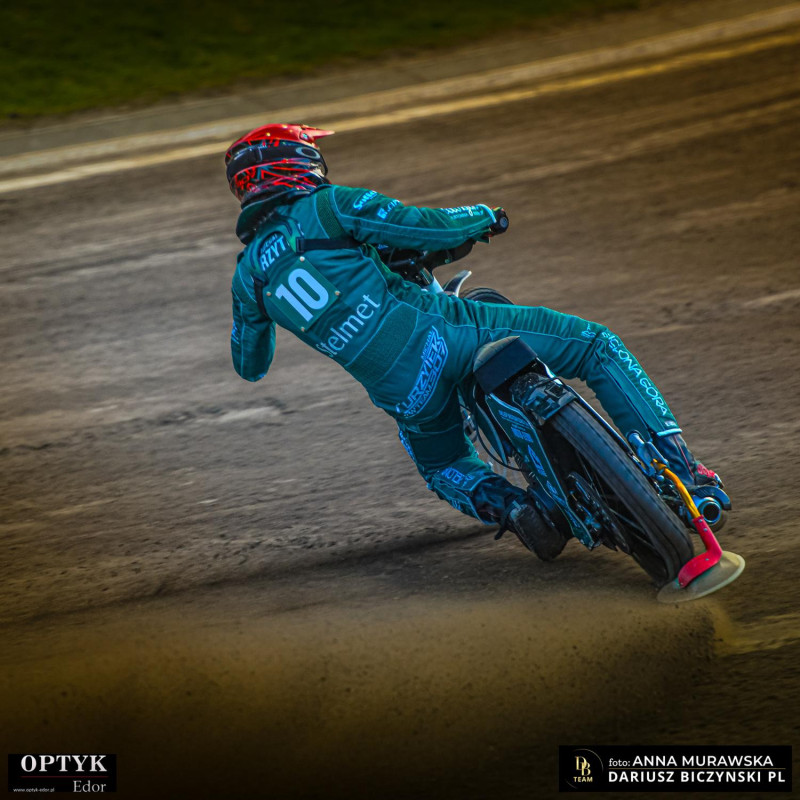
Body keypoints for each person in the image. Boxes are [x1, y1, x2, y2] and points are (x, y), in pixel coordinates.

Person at [225, 123, 730, 559]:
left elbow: (250, 365)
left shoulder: (247, 278)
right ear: (296, 165)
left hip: (400, 389)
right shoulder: (326, 206)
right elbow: (424, 228)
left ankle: (517, 509)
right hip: (443, 335)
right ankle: (686, 476)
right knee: (597, 345)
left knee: (444, 465)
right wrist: (486, 216)